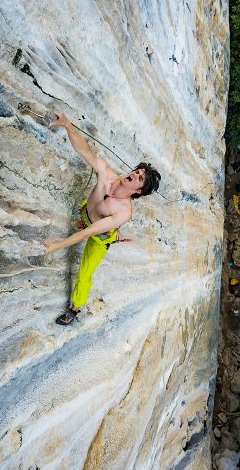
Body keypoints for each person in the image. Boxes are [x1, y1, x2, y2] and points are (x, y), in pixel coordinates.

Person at [42, 110, 161, 325]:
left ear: (139, 191)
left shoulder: (123, 212)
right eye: (137, 170)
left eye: (139, 177)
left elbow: (88, 233)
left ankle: (75, 309)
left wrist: (55, 246)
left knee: (85, 272)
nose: (134, 173)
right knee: (86, 214)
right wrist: (67, 124)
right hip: (86, 214)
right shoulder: (107, 174)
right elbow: (85, 151)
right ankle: (85, 217)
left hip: (100, 235)